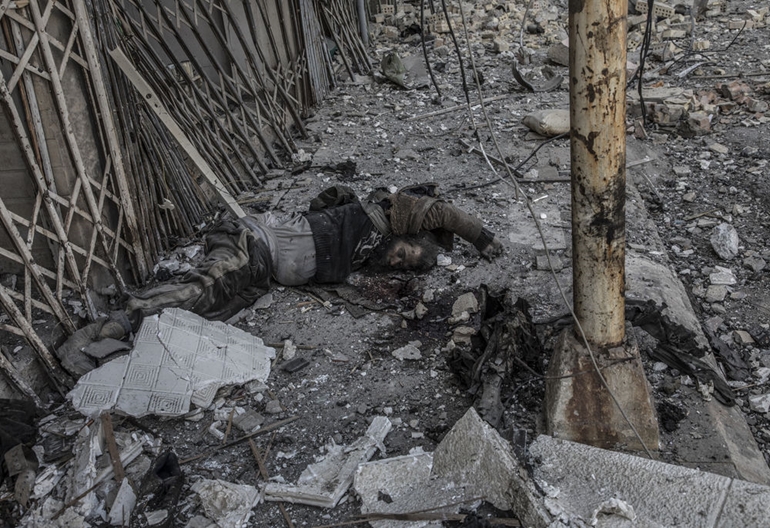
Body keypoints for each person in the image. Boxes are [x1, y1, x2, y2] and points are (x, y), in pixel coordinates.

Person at [56, 184, 502, 375]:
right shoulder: (382, 216)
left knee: (211, 315)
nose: (398, 261)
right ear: (403, 231)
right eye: (404, 253)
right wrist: (483, 239)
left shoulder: (367, 255)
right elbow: (442, 212)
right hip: (253, 241)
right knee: (206, 285)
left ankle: (131, 343)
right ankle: (117, 322)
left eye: (403, 264)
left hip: (263, 274)